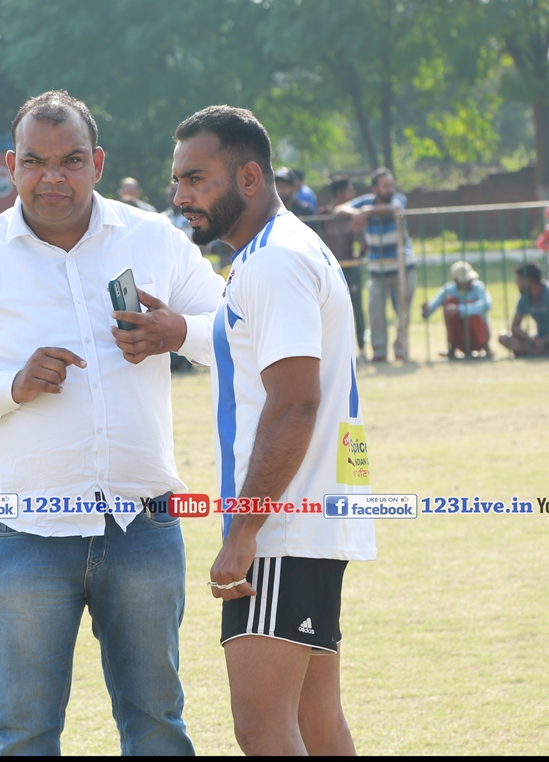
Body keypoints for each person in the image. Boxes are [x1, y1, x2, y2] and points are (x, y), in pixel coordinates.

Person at [0, 89, 220, 756]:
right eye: (35, 161)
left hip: (142, 524)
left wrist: (177, 333)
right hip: (26, 531)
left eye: (71, 160)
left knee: (157, 723)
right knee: (23, 731)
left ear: (98, 162)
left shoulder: (153, 239)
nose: (52, 177)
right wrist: (11, 386)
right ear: (11, 165)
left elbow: (237, 331)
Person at [164, 104, 370, 755]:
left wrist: (244, 530)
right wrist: (178, 331)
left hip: (282, 526)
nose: (180, 196)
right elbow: (255, 354)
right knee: (316, 723)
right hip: (309, 515)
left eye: (196, 179)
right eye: (178, 180)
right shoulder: (282, 249)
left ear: (248, 178)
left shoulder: (274, 261)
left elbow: (295, 402)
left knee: (263, 728)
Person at [336, 168, 415, 362]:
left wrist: (367, 212)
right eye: (385, 186)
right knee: (375, 312)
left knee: (403, 312)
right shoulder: (365, 202)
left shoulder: (397, 199)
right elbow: (339, 209)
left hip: (403, 267)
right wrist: (357, 213)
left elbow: (395, 208)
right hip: (377, 270)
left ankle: (401, 349)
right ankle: (379, 352)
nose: (390, 190)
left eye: (391, 186)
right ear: (375, 188)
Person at [317, 179, 366, 355]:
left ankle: (362, 349)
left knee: (356, 309)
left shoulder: (352, 215)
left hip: (350, 268)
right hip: (329, 270)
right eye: (349, 190)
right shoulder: (323, 216)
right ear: (340, 192)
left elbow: (363, 241)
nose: (353, 194)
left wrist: (360, 252)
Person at [421, 261, 494, 358]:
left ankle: (485, 347)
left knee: (469, 304)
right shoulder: (448, 289)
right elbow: (430, 309)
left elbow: (487, 305)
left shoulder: (478, 287)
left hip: (479, 336)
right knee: (449, 301)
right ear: (455, 281)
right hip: (461, 338)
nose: (469, 281)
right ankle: (452, 348)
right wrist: (425, 310)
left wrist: (460, 309)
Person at [499, 263, 549, 356]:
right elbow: (514, 326)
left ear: (529, 280)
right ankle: (539, 352)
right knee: (503, 336)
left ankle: (532, 351)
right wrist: (530, 339)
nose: (516, 283)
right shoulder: (524, 296)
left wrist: (545, 340)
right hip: (538, 338)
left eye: (518, 279)